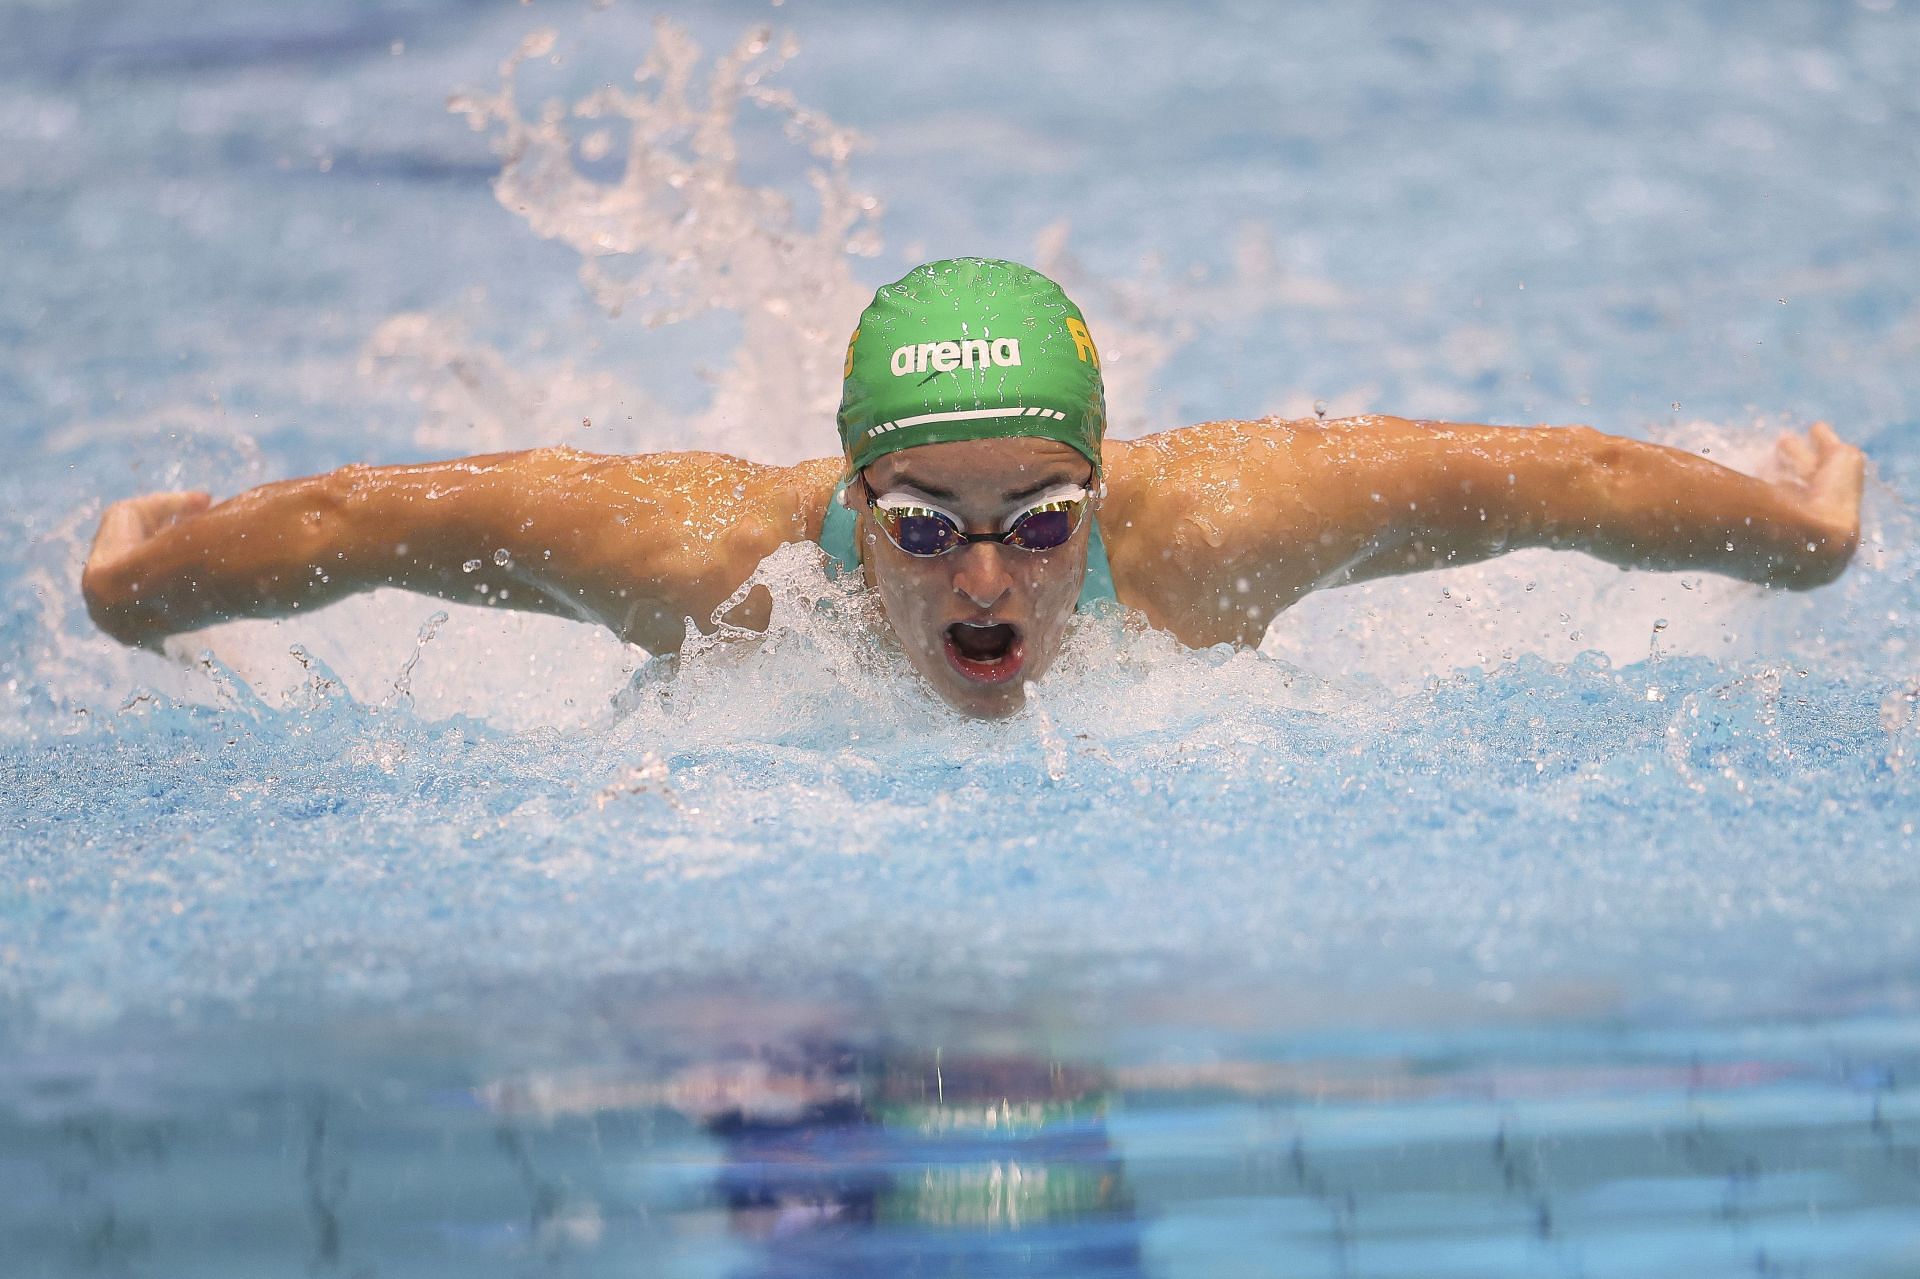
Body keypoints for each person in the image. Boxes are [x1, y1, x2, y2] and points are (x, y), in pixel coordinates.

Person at [82, 258, 1865, 719]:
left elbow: (1542, 482)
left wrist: (1798, 545)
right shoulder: (715, 569)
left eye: (1041, 521)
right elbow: (376, 526)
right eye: (921, 527)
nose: (987, 582)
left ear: (1104, 492)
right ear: (855, 502)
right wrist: (139, 585)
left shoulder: (1218, 536)